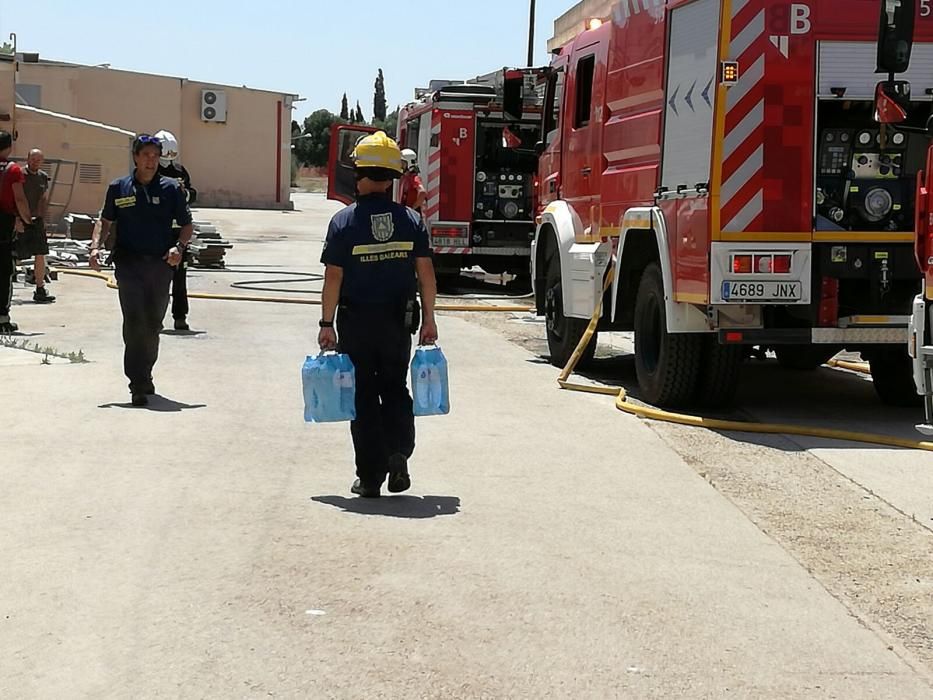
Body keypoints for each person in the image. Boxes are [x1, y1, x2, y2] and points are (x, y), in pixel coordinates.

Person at [318, 131, 438, 498]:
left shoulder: (344, 222)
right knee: (395, 388)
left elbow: (333, 277)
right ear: (392, 177)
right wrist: (430, 319)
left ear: (359, 173)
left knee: (364, 396)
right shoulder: (411, 221)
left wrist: (326, 324)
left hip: (356, 323)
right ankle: (399, 452)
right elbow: (426, 274)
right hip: (397, 323)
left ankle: (370, 477)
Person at [90, 134, 193, 406]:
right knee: (134, 322)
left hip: (160, 267)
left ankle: (145, 372)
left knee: (153, 324)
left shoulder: (171, 189)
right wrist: (94, 248)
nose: (151, 161)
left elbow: (186, 226)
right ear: (135, 157)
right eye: (146, 155)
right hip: (129, 265)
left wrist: (179, 249)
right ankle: (137, 382)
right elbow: (105, 221)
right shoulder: (119, 188)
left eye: (155, 156)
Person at [155, 130, 197, 331]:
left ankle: (180, 316)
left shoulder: (180, 171)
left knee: (180, 278)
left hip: (179, 231)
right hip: (158, 232)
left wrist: (185, 194)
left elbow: (193, 193)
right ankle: (155, 316)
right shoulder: (152, 172)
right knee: (157, 278)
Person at [0, 130, 34, 334]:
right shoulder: (12, 170)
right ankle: (2, 319)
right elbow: (19, 198)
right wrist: (27, 220)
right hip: (3, 223)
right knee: (4, 272)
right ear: (9, 147)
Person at [21, 148, 55, 304]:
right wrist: (17, 218)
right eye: (33, 159)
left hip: (37, 221)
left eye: (38, 160)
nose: (35, 162)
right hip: (19, 219)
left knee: (40, 253)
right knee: (12, 255)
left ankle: (40, 289)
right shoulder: (19, 175)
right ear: (27, 159)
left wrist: (42, 219)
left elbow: (43, 199)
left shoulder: (43, 177)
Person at [398, 148, 426, 212]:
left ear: (409, 163)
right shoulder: (405, 177)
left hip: (411, 213)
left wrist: (414, 207)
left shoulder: (414, 178)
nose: (401, 165)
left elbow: (422, 192)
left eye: (403, 163)